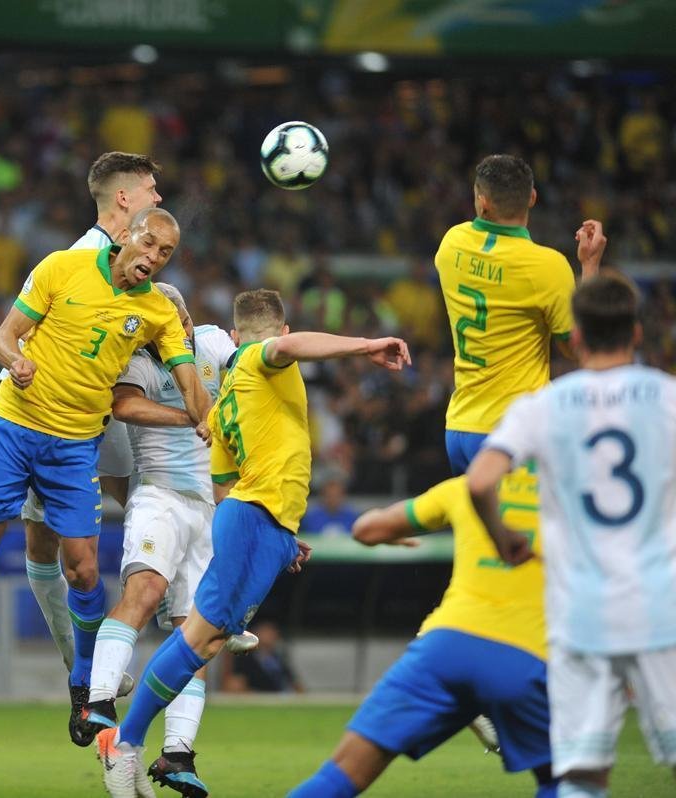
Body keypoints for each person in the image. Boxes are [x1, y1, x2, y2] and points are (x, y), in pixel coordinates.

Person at [95, 288, 411, 797]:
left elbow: (223, 483)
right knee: (198, 637)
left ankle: (150, 748)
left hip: (257, 520)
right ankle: (124, 741)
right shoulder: (261, 360)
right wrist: (365, 346)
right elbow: (285, 350)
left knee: (207, 639)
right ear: (278, 333)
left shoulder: (220, 404)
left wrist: (279, 538)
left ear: (234, 333)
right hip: (254, 518)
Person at [0, 208, 208, 747]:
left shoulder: (157, 311)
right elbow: (3, 338)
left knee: (82, 570)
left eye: (165, 253)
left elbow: (188, 376)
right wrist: (17, 361)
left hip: (77, 444)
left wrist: (204, 415)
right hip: (13, 426)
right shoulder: (62, 267)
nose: (151, 258)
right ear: (126, 235)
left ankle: (82, 685)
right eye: (148, 244)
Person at [469, 272, 676, 798]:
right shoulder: (667, 397)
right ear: (636, 333)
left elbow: (480, 479)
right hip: (660, 607)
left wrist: (502, 537)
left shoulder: (544, 405)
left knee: (582, 774)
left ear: (576, 336)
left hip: (581, 612)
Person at [78, 282, 251, 797]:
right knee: (145, 589)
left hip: (208, 507)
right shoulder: (139, 363)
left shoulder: (214, 344)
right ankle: (100, 701)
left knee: (196, 633)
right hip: (158, 496)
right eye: (159, 320)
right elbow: (125, 406)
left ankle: (177, 752)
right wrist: (195, 416)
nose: (171, 327)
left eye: (176, 318)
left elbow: (248, 364)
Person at [287, 464, 555, 797]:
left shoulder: (468, 487)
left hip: (444, 648)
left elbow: (365, 529)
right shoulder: (577, 498)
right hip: (526, 654)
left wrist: (395, 536)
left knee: (339, 776)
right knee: (563, 779)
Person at [21, 152, 163, 690]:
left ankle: (201, 608)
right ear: (124, 198)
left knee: (150, 496)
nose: (158, 198)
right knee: (46, 545)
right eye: (151, 189)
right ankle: (78, 658)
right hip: (56, 414)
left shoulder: (139, 261)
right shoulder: (78, 258)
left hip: (103, 409)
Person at [435, 154, 605, 474]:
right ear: (532, 197)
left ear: (482, 202)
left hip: (459, 427)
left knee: (476, 526)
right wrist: (590, 266)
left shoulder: (451, 244)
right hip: (513, 430)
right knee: (526, 526)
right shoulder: (546, 266)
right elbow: (581, 348)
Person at [225, 621, 303, 694]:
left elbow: (291, 681)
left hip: (283, 696)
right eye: (267, 632)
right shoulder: (245, 657)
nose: (272, 635)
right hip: (259, 697)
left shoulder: (278, 657)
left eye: (273, 632)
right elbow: (237, 682)